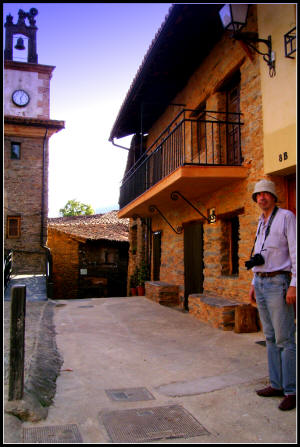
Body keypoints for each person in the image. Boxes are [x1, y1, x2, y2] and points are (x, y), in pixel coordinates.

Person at [248, 179, 296, 411]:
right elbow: (258, 252)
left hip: (279, 282)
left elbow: (296, 251)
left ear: (274, 197)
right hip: (261, 281)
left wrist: (294, 284)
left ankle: (291, 390)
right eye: (258, 195)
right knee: (269, 337)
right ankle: (276, 384)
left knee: (285, 339)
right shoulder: (260, 222)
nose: (262, 198)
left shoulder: (286, 217)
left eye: (266, 194)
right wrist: (252, 282)